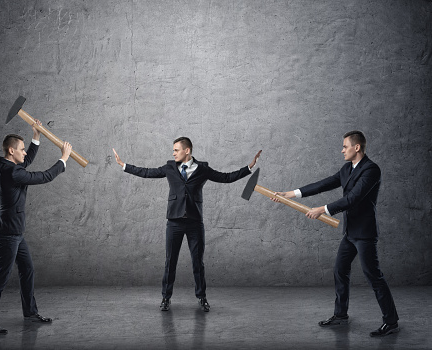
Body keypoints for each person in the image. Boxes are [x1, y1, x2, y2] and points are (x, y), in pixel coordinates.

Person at [272, 130, 399, 337]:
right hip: (350, 232)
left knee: (373, 276)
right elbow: (324, 184)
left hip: (364, 233)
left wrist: (322, 209)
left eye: (345, 146)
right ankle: (340, 315)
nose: (342, 150)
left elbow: (353, 199)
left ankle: (391, 321)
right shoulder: (347, 168)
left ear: (356, 147)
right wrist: (291, 193)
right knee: (340, 270)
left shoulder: (371, 170)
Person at [113, 137, 261, 312]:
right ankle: (166, 298)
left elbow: (226, 177)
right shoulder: (169, 167)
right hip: (174, 222)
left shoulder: (203, 169)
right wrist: (124, 165)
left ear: (187, 151)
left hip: (194, 223)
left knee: (198, 262)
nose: (173, 153)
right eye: (173, 150)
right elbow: (147, 172)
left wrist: (249, 167)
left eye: (176, 150)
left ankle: (202, 298)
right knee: (170, 262)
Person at [0, 120, 72, 334]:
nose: (24, 153)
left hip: (15, 231)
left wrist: (36, 137)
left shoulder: (3, 164)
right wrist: (64, 158)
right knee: (1, 277)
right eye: (21, 149)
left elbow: (25, 160)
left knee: (27, 269)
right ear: (11, 151)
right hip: (8, 233)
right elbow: (44, 176)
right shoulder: (12, 172)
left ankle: (30, 311)